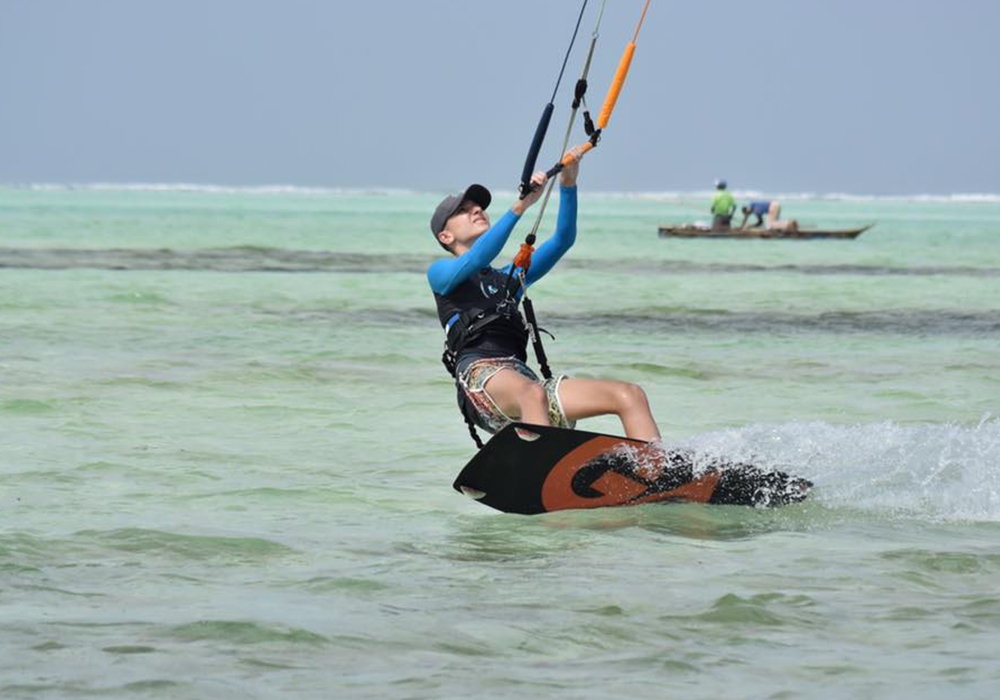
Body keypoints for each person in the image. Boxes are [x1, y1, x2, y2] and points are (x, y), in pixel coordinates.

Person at [427, 146, 661, 442]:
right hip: (479, 380)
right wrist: (520, 208)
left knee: (629, 394)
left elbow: (563, 239)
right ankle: (541, 472)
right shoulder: (440, 273)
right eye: (462, 210)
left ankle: (658, 475)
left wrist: (569, 183)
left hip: (523, 380)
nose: (476, 210)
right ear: (445, 237)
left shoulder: (509, 278)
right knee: (533, 393)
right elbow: (476, 260)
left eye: (478, 206)